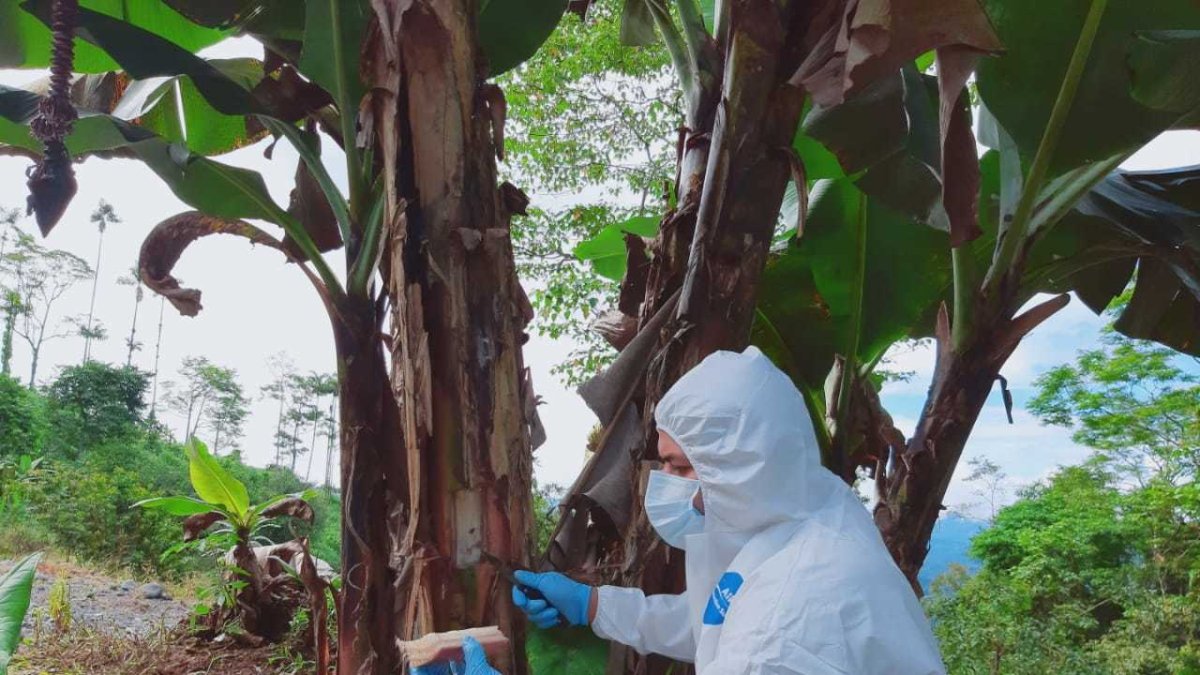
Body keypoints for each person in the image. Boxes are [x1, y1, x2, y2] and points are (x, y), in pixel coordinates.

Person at [512, 346, 947, 674]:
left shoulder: (786, 628)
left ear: (743, 469)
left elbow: (755, 631)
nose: (662, 481)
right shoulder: (806, 510)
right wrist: (594, 606)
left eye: (680, 466)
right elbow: (717, 620)